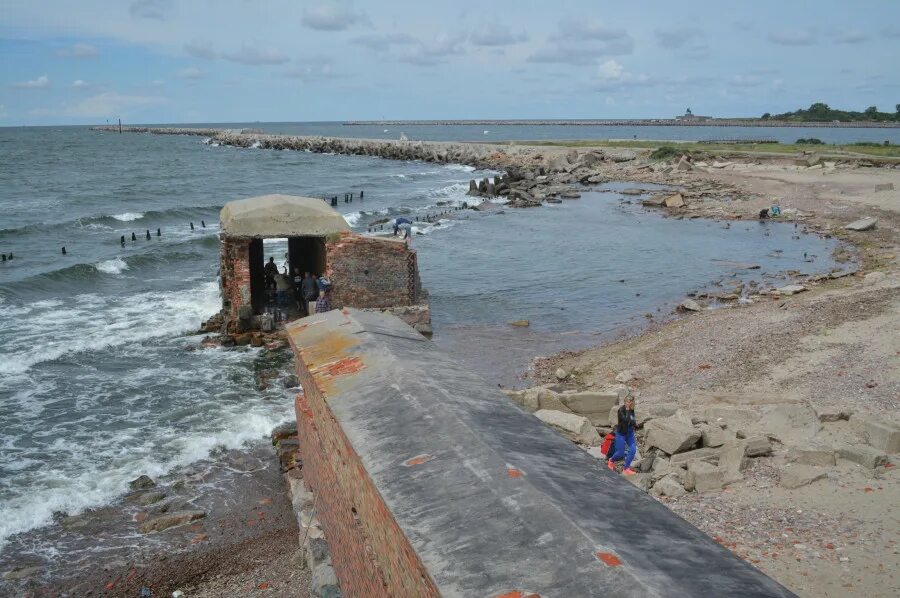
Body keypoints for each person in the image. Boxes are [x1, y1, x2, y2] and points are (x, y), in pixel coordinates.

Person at [608, 396, 638, 475]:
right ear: (625, 402)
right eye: (627, 402)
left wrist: (634, 424)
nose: (629, 403)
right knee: (620, 452)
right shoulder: (621, 410)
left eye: (630, 402)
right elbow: (625, 420)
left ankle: (626, 468)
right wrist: (628, 410)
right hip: (621, 433)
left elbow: (632, 419)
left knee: (633, 450)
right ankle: (611, 461)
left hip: (630, 433)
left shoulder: (632, 409)